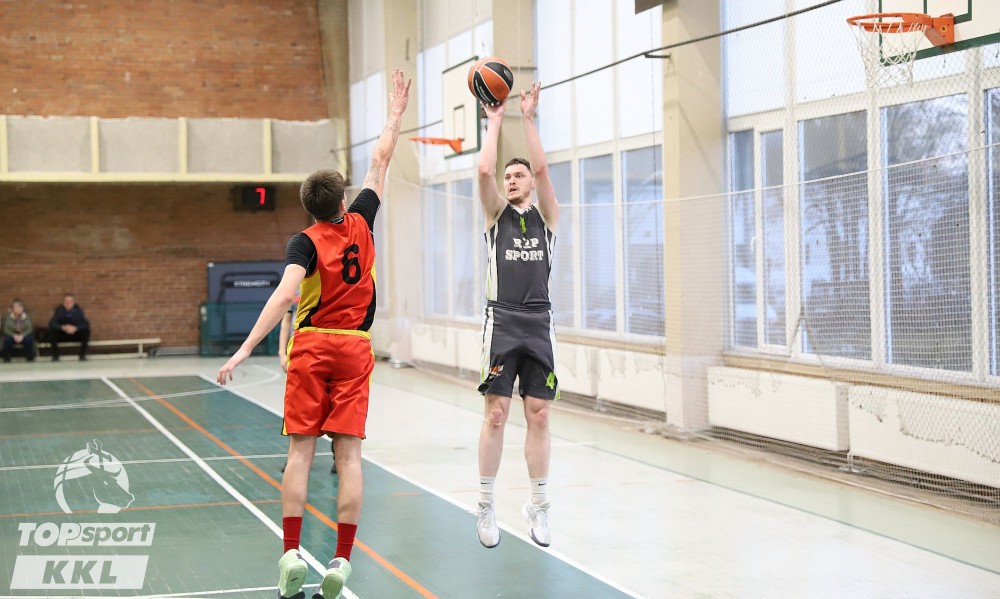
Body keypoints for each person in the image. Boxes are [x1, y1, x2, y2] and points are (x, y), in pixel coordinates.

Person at [217, 68, 410, 599]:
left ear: (310, 208)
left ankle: (290, 554)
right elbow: (380, 159)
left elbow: (284, 297)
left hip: (311, 346)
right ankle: (341, 560)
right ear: (343, 201)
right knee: (349, 457)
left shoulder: (303, 242)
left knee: (300, 453)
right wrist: (394, 113)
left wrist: (245, 348)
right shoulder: (364, 219)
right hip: (355, 350)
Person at [474, 81, 560, 550]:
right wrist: (494, 120)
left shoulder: (547, 219)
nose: (510, 180)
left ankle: (539, 505)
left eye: (518, 176)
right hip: (502, 322)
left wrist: (528, 118)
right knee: (496, 414)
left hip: (539, 322)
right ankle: (486, 503)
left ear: (530, 183)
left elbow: (543, 168)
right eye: (508, 177)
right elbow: (483, 168)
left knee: (539, 415)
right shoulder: (495, 217)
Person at [278, 300, 336, 475]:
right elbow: (286, 320)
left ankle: (339, 456)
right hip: (302, 352)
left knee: (336, 407)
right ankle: (295, 457)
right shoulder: (295, 289)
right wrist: (282, 352)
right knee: (300, 410)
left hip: (329, 348)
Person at [49, 293, 90, 361]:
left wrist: (76, 328)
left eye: (70, 302)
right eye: (66, 302)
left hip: (75, 334)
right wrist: (62, 327)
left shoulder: (79, 311)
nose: (68, 303)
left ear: (73, 303)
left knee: (86, 331)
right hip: (62, 334)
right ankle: (55, 356)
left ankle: (82, 355)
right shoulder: (58, 311)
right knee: (52, 332)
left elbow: (85, 324)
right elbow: (52, 323)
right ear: (63, 303)